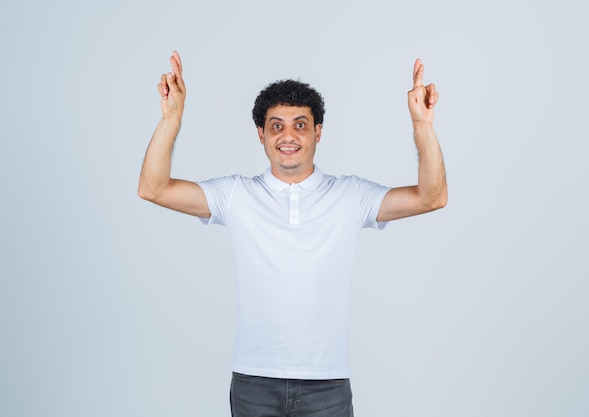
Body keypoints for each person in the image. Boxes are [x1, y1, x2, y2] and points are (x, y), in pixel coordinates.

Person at [138, 51, 447, 417]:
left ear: (318, 132)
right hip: (254, 381)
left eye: (301, 125)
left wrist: (422, 127)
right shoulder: (237, 194)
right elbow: (153, 188)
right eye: (277, 125)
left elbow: (432, 196)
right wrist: (171, 119)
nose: (288, 135)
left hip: (327, 384)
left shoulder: (350, 195)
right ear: (261, 135)